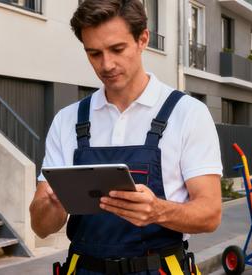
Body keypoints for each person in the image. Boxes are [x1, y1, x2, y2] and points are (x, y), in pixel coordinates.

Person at [29, 1, 222, 274]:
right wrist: (50, 205)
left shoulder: (188, 113)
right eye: (94, 53)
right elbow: (41, 227)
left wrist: (157, 211)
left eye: (117, 49)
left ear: (143, 39)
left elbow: (210, 213)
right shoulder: (67, 120)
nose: (106, 64)